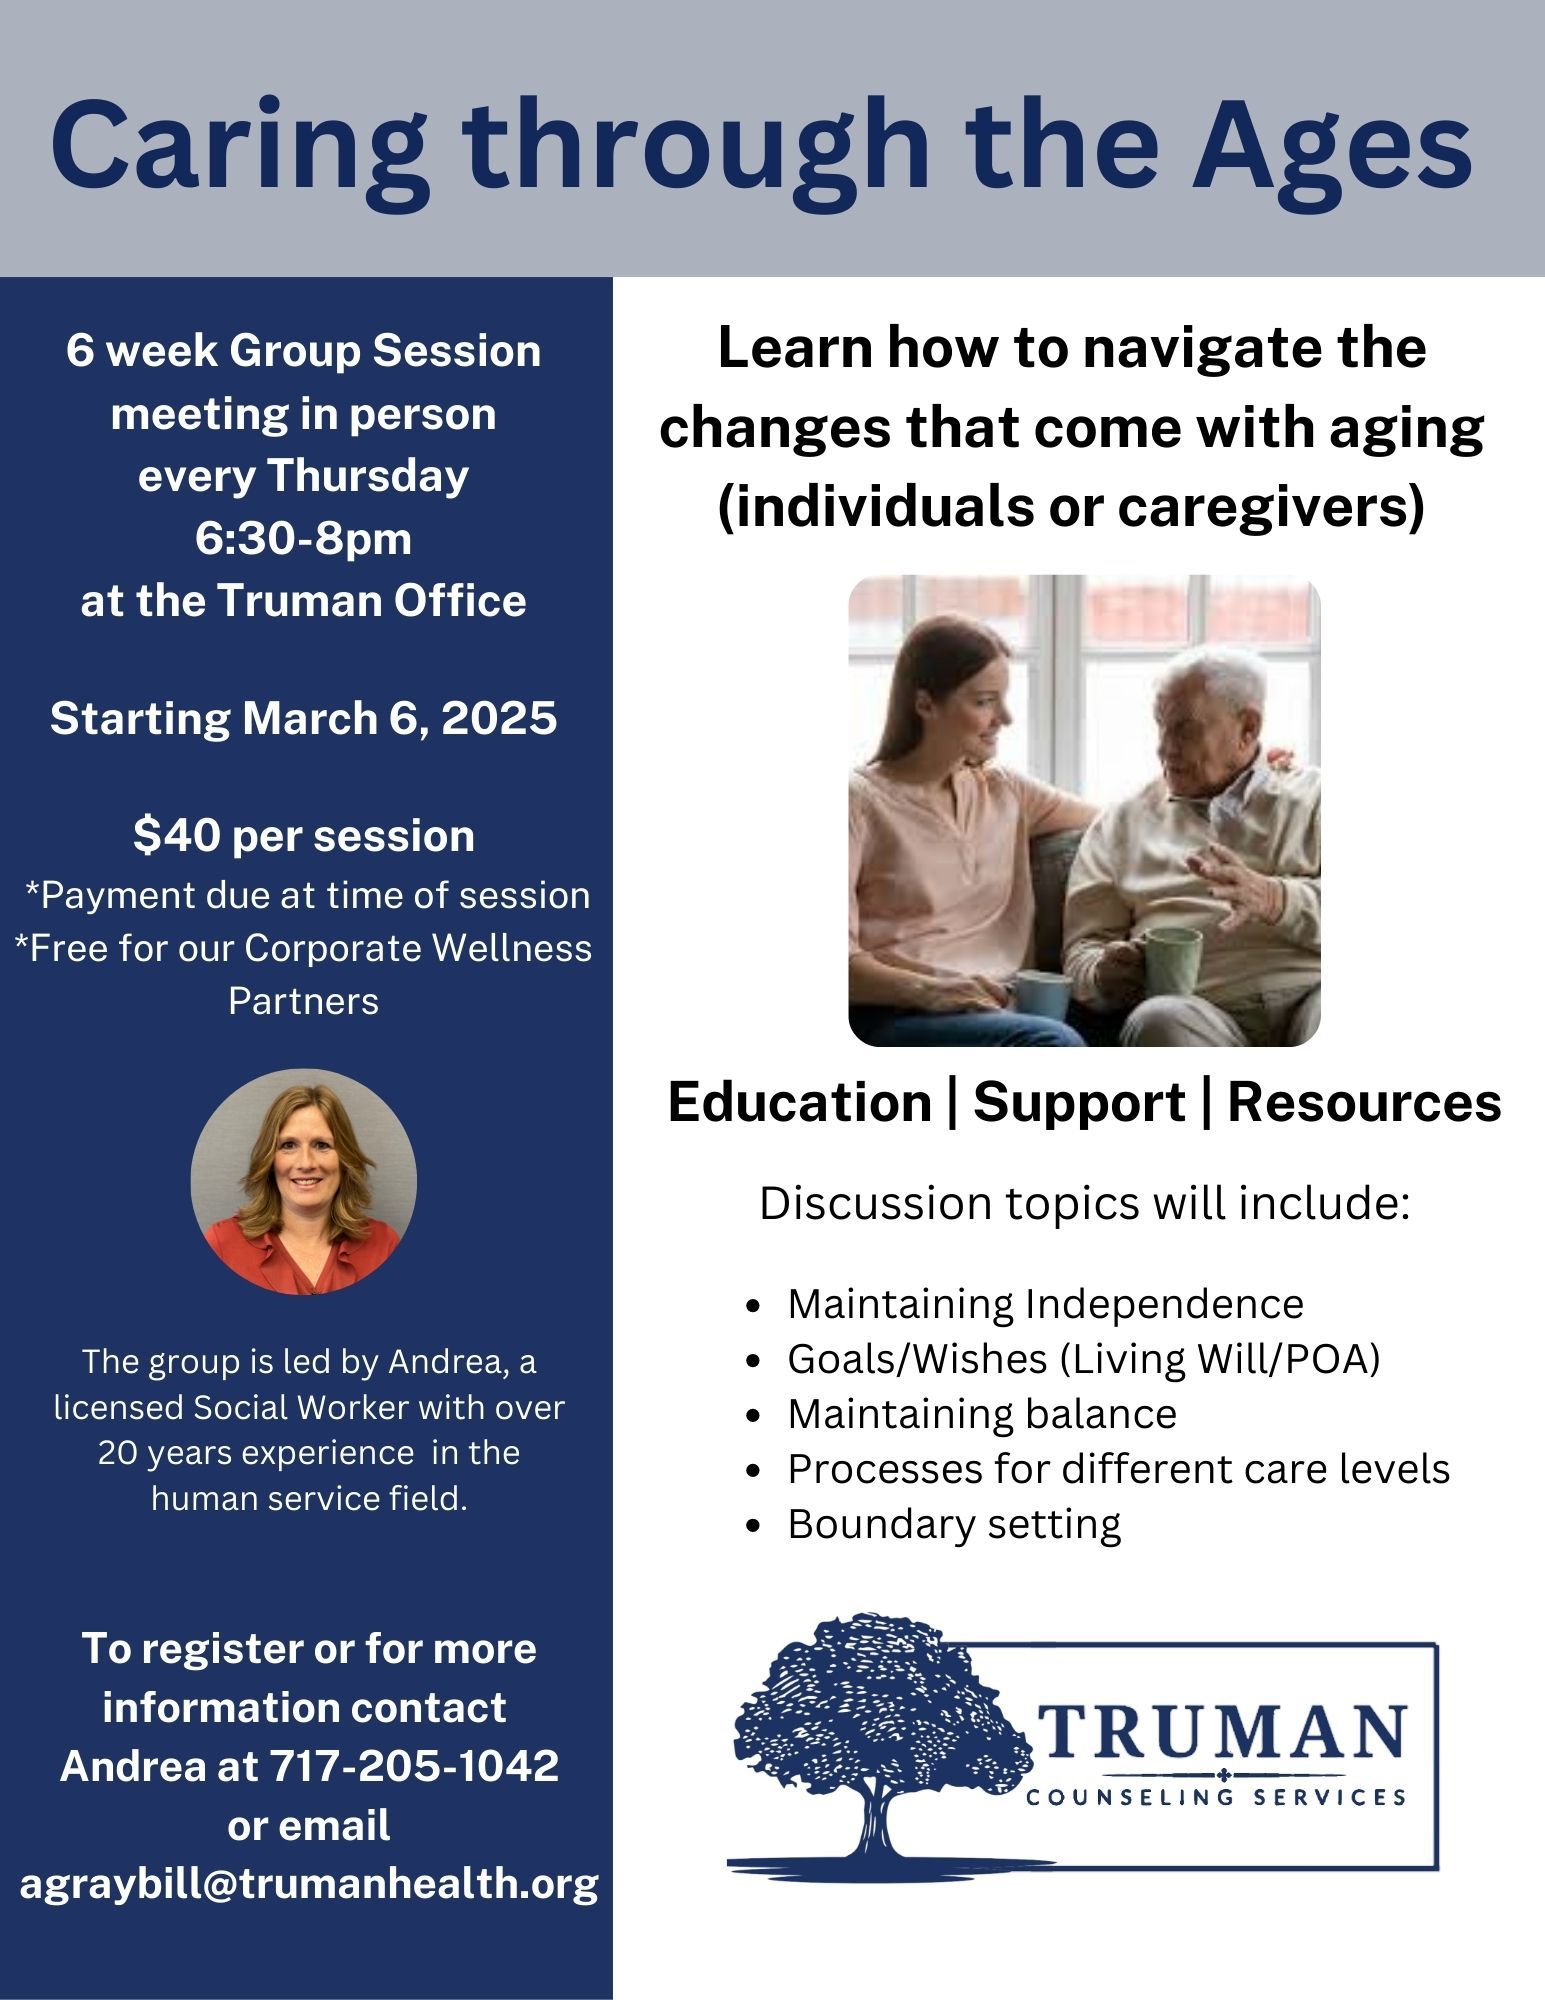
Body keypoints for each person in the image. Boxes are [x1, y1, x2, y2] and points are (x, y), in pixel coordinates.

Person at [849, 613, 1097, 1047]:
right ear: (925, 704)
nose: (1005, 717)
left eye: (1002, 699)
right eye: (984, 701)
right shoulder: (856, 803)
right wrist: (931, 991)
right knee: (1053, 1046)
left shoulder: (1005, 789)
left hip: (1002, 1009)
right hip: (895, 1013)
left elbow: (1116, 818)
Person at [1062, 646, 1320, 1046]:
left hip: (1312, 995)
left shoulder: (1317, 798)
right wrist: (1102, 973)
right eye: (1160, 727)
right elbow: (1082, 949)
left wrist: (1275, 898)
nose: (1164, 747)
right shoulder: (1121, 823)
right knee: (1158, 1020)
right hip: (1196, 1015)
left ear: (1247, 727)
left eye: (1185, 729)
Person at [204, 1083, 401, 1294]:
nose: (306, 1163)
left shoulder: (384, 1246)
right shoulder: (222, 1245)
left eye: (322, 1145)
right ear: (269, 1160)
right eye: (288, 1145)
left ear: (345, 1159)